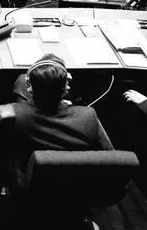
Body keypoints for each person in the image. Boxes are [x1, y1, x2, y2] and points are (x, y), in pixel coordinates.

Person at [9, 54, 110, 190]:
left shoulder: (14, 113)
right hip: (75, 186)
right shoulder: (88, 115)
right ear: (66, 88)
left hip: (34, 183)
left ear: (29, 87)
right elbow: (108, 155)